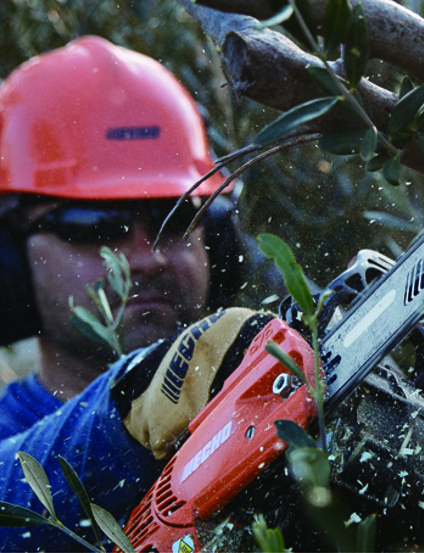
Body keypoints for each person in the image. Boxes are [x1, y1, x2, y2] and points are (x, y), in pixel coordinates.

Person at [0, 35, 272, 550]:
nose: (146, 258)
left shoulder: (269, 405)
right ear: (9, 261)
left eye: (176, 219)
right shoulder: (10, 450)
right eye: (95, 225)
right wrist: (134, 401)